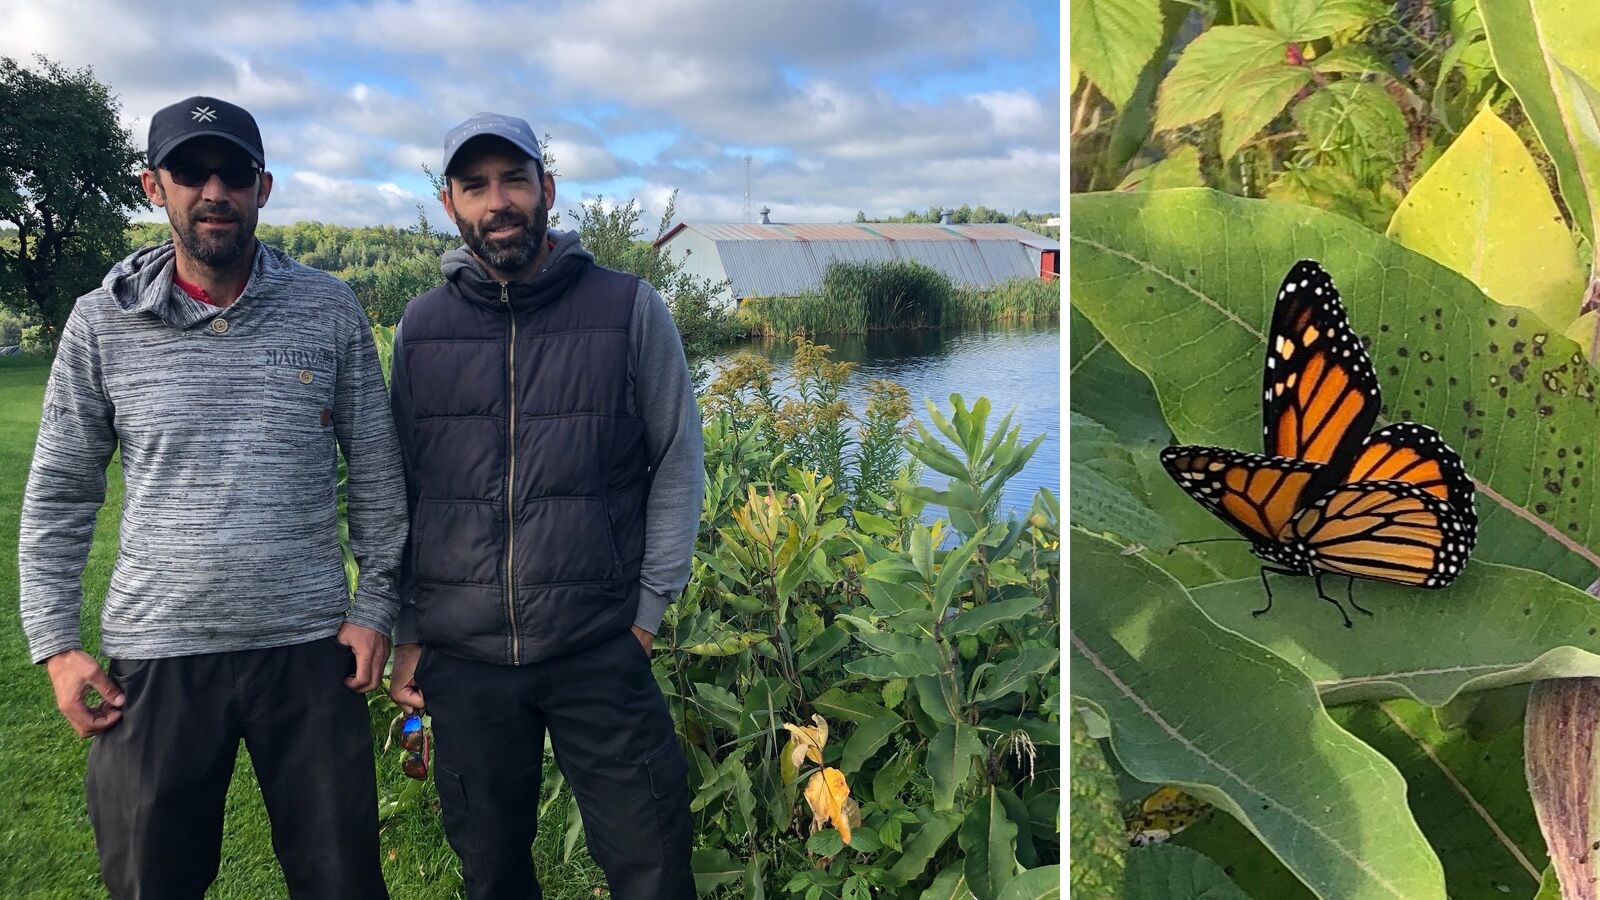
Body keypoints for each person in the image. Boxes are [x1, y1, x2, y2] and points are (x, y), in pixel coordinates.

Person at [17, 95, 406, 899]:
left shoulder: (327, 310)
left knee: (343, 884)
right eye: (191, 172)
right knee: (153, 883)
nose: (214, 190)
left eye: (234, 172)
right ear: (153, 185)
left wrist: (376, 608)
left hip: (308, 653)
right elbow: (60, 492)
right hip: (157, 659)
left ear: (264, 187)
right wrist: (56, 643)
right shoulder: (100, 324)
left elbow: (377, 473)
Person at [386, 112, 703, 899]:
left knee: (654, 864)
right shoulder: (421, 331)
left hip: (600, 644)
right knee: (491, 873)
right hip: (464, 660)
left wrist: (647, 611)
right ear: (451, 205)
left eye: (514, 180)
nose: (498, 201)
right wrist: (406, 630)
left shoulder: (629, 309)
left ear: (548, 190)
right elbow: (400, 487)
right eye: (475, 186)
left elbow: (677, 461)